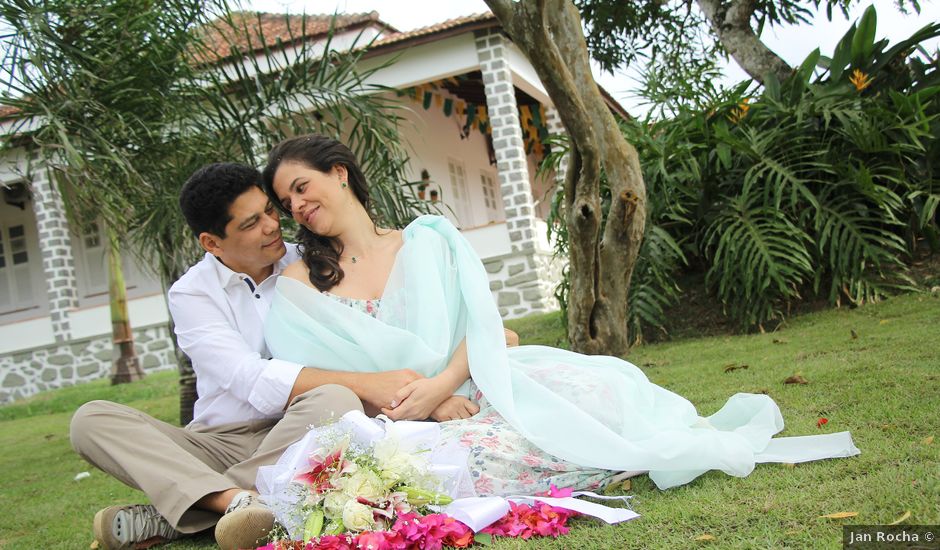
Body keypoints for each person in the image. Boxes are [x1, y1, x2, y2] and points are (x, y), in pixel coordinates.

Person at [260, 134, 861, 496]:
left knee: (594, 399)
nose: (298, 205)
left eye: (303, 185)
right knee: (456, 463)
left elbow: (483, 324)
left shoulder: (428, 239)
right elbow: (314, 381)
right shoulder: (297, 285)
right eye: (287, 200)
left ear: (339, 173)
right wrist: (418, 404)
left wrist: (445, 384)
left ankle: (602, 455)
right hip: (395, 419)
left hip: (479, 381)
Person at [68, 163, 435, 550]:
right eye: (250, 224)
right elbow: (247, 376)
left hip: (304, 432)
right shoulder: (192, 293)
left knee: (335, 398)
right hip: (219, 443)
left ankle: (192, 507)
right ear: (212, 243)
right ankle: (237, 501)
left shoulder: (314, 262)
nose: (272, 225)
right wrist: (366, 384)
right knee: (90, 419)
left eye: (270, 210)